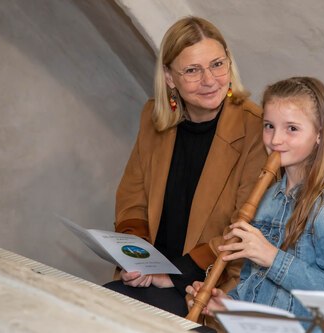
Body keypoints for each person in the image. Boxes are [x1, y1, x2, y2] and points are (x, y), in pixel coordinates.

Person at [103, 16, 268, 317]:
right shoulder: (153, 117)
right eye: (192, 70)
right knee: (88, 307)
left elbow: (245, 230)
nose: (209, 80)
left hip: (207, 287)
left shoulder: (257, 130)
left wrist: (173, 276)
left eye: (217, 64)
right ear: (169, 77)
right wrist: (137, 259)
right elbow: (132, 202)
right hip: (146, 278)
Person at [186, 77, 324, 325]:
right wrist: (227, 306)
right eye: (269, 126)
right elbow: (257, 286)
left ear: (319, 134)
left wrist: (273, 257)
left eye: (291, 128)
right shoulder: (267, 199)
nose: (275, 139)